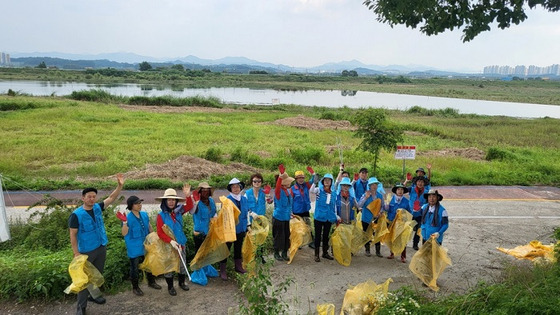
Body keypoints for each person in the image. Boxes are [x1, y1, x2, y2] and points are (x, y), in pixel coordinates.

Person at [68, 173, 124, 315]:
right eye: (89, 197)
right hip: (86, 252)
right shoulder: (76, 215)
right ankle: (81, 308)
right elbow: (73, 235)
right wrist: (76, 253)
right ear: (83, 198)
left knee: (96, 274)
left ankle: (94, 296)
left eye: (94, 197)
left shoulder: (98, 208)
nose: (92, 199)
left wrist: (119, 186)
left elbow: (111, 198)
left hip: (100, 247)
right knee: (83, 280)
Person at [117, 195, 162, 296]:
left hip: (146, 245)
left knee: (149, 263)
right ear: (131, 205)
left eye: (140, 203)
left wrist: (154, 238)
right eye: (136, 203)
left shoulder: (144, 215)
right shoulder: (127, 218)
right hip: (134, 247)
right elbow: (124, 233)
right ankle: (135, 287)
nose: (139, 205)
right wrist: (124, 223)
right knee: (135, 268)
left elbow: (149, 227)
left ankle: (151, 282)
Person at [155, 186, 193, 296]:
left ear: (176, 201)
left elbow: (190, 206)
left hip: (180, 243)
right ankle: (170, 287)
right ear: (165, 201)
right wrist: (170, 241)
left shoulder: (179, 211)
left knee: (182, 265)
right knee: (169, 267)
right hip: (168, 245)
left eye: (173, 199)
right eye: (169, 200)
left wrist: (187, 195)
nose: (171, 202)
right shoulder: (160, 216)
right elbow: (160, 232)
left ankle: (182, 283)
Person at [220, 178, 250, 280]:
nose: (236, 189)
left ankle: (238, 267)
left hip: (241, 228)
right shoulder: (227, 200)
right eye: (233, 187)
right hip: (229, 231)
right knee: (226, 249)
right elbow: (223, 217)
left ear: (240, 188)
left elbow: (246, 214)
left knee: (238, 248)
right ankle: (223, 270)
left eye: (237, 186)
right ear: (230, 189)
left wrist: (247, 226)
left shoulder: (244, 199)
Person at [245, 173, 272, 263]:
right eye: (255, 181)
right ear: (252, 182)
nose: (257, 183)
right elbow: (244, 207)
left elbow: (270, 202)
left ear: (261, 182)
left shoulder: (263, 193)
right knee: (252, 239)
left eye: (259, 181)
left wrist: (268, 194)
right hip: (251, 220)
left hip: (261, 220)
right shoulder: (247, 193)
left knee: (261, 238)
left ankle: (260, 256)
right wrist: (251, 213)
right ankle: (252, 256)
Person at [311, 173, 337, 262]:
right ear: (323, 181)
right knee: (318, 236)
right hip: (319, 217)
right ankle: (316, 255)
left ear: (331, 182)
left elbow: (334, 206)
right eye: (325, 180)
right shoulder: (319, 190)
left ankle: (325, 253)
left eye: (329, 180)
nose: (327, 181)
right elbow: (311, 190)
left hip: (328, 217)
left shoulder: (333, 193)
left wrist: (335, 216)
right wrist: (314, 182)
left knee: (326, 235)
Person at [357, 177, 386, 257]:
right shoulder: (365, 195)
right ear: (369, 186)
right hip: (366, 218)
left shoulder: (380, 195)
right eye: (372, 184)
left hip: (376, 218)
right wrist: (366, 197)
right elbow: (359, 205)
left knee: (377, 234)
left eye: (375, 184)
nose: (374, 186)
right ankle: (367, 250)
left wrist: (380, 212)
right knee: (366, 235)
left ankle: (378, 251)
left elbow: (383, 206)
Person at [290, 167, 316, 248]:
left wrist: (313, 174)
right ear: (296, 179)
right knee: (297, 228)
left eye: (302, 178)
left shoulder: (306, 185)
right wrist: (290, 212)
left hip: (305, 210)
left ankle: (311, 242)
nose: (301, 180)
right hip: (296, 211)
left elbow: (314, 181)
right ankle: (298, 242)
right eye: (299, 178)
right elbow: (290, 201)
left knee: (308, 226)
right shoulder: (292, 189)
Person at [273, 164, 294, 261]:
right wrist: (280, 178)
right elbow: (277, 187)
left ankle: (285, 252)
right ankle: (276, 252)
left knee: (286, 236)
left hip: (286, 217)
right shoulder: (278, 191)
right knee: (278, 236)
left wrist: (290, 213)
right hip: (278, 217)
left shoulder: (288, 191)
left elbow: (289, 204)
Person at [385, 183, 410, 263]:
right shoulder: (390, 200)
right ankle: (392, 253)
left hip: (401, 223)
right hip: (391, 222)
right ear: (395, 191)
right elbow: (386, 210)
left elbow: (409, 212)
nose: (400, 191)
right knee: (391, 238)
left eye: (402, 190)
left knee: (402, 239)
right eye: (398, 189)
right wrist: (385, 206)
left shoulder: (406, 201)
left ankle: (403, 256)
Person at [408, 177, 429, 250]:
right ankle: (404, 243)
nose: (420, 183)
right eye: (419, 181)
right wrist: (406, 181)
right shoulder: (411, 189)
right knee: (407, 229)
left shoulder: (426, 192)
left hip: (420, 214)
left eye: (422, 182)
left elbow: (429, 202)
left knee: (418, 230)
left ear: (424, 183)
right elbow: (402, 189)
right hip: (410, 213)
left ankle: (415, 244)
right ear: (416, 183)